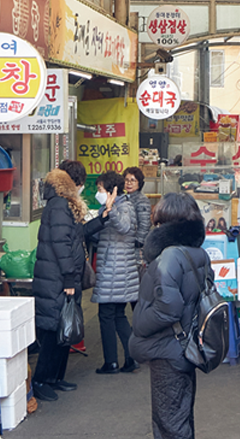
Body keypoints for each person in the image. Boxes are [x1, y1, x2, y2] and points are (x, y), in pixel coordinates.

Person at [129, 192, 212, 439]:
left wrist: (139, 325)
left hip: (167, 349)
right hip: (187, 347)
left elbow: (168, 308)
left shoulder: (168, 257)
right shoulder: (197, 253)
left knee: (169, 424)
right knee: (181, 416)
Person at [32, 167, 112, 402]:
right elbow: (61, 245)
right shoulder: (59, 206)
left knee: (63, 330)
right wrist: (68, 278)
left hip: (63, 278)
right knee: (52, 330)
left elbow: (78, 235)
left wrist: (102, 220)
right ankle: (40, 380)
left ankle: (55, 377)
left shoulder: (64, 205)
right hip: (56, 280)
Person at [92, 171, 140, 374]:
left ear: (112, 190)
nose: (98, 193)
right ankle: (131, 358)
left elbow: (124, 227)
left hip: (115, 269)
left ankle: (111, 362)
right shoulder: (111, 207)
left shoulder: (124, 206)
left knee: (106, 315)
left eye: (101, 189)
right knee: (118, 314)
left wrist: (110, 209)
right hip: (115, 269)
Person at [123, 166, 152, 264]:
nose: (129, 183)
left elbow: (145, 223)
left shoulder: (142, 200)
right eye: (126, 180)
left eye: (133, 180)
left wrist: (138, 242)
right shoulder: (124, 198)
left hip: (137, 247)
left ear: (139, 183)